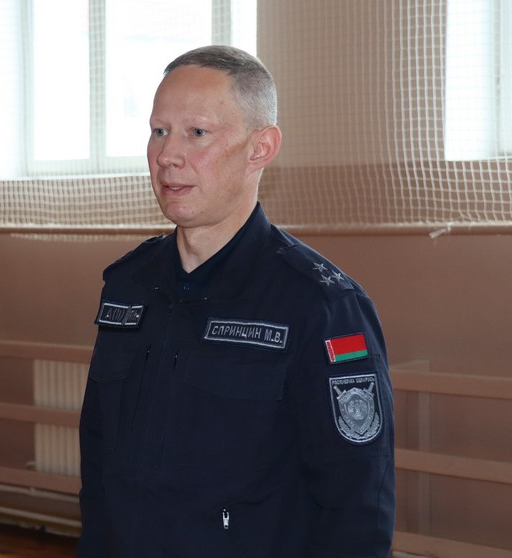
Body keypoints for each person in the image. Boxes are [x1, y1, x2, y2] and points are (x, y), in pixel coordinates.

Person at [77, 45, 395, 557]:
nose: (167, 155)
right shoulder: (128, 286)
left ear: (259, 149)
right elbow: (99, 465)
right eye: (159, 131)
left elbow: (355, 504)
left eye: (197, 133)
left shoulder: (320, 306)